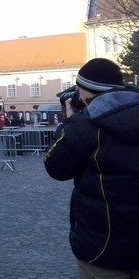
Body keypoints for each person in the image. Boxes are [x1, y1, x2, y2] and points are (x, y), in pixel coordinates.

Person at [44, 58, 139, 278]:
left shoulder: (87, 125)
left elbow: (56, 167)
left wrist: (70, 123)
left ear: (87, 93)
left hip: (103, 250)